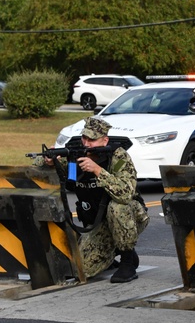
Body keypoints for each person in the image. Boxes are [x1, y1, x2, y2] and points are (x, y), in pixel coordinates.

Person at [47, 117, 149, 283]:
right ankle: (112, 252)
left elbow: (126, 194)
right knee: (81, 269)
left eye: (92, 140)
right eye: (84, 138)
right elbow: (42, 165)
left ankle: (128, 261)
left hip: (129, 216)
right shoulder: (76, 154)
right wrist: (50, 161)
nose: (87, 144)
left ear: (105, 140)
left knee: (118, 207)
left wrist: (98, 171)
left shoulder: (117, 156)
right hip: (97, 222)